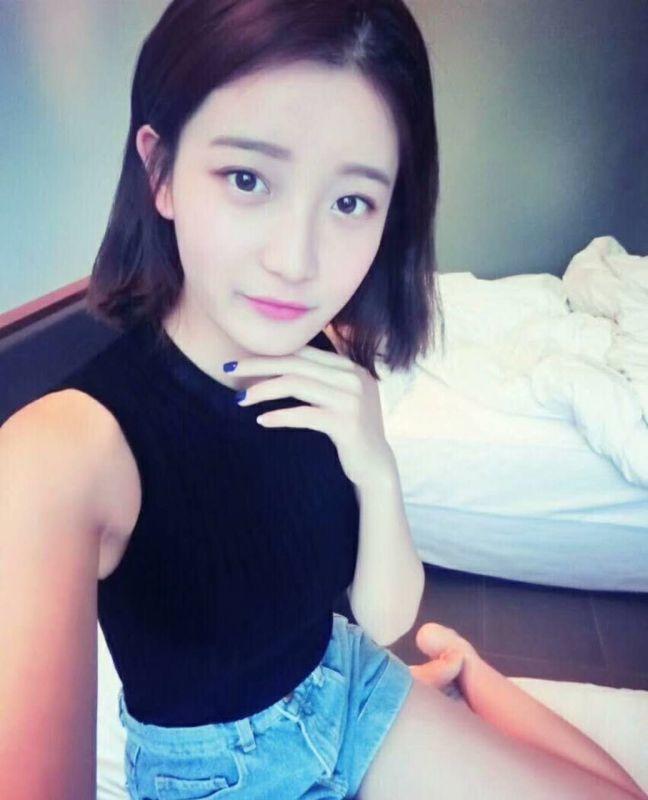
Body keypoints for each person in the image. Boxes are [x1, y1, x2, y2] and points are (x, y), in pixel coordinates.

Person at [0, 1, 645, 798]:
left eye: (350, 202)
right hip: (222, 773)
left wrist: (374, 462)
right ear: (160, 173)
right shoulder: (65, 451)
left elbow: (385, 622)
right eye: (248, 179)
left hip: (349, 686)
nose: (297, 261)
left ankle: (470, 673)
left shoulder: (329, 354)